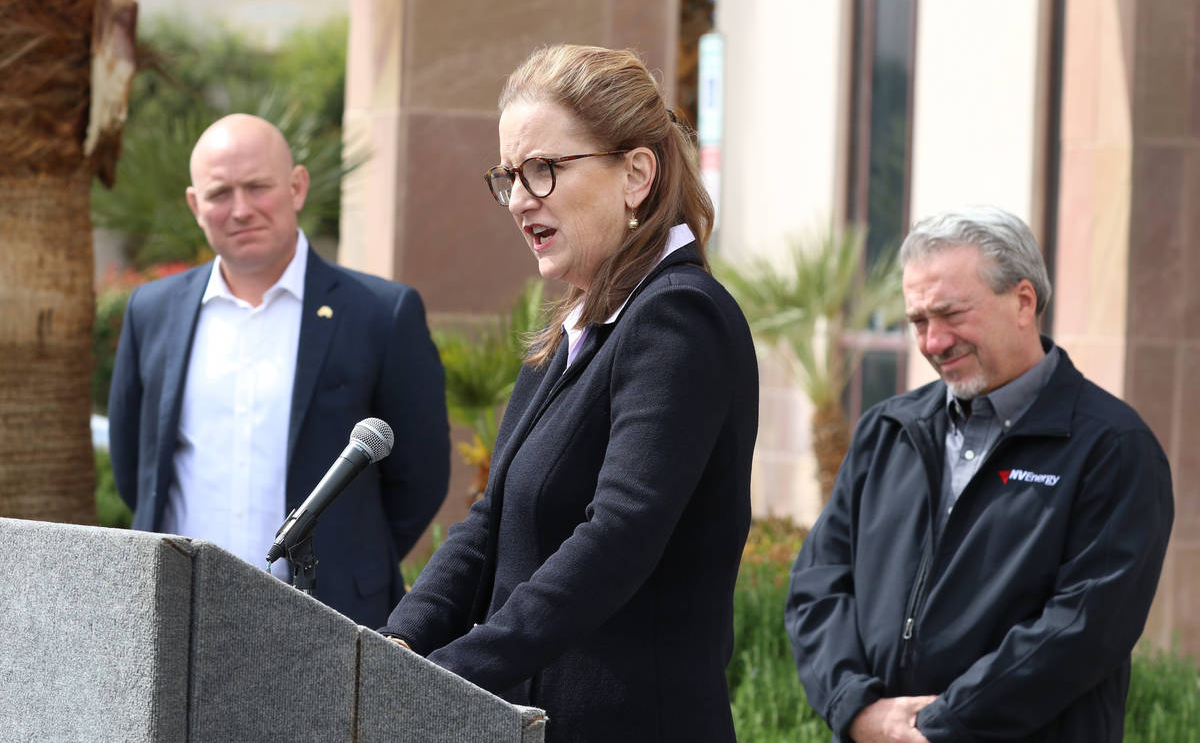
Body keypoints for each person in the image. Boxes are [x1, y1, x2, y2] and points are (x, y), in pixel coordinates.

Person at [378, 45, 759, 742]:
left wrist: (451, 675)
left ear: (636, 174)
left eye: (545, 170)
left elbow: (618, 536)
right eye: (509, 176)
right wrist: (392, 651)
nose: (521, 200)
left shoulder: (679, 318)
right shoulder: (574, 325)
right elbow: (489, 521)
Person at [784, 207, 1174, 743]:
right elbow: (817, 585)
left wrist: (933, 728)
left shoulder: (1112, 448)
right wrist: (856, 710)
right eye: (918, 321)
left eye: (951, 314)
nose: (933, 342)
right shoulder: (887, 431)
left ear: (1023, 301)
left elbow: (1083, 630)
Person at [107, 113, 450, 628]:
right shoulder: (151, 311)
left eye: (258, 187)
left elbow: (419, 476)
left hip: (328, 614)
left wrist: (347, 558)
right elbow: (138, 471)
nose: (241, 209)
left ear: (296, 187)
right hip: (177, 613)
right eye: (220, 193)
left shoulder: (381, 313)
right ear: (195, 206)